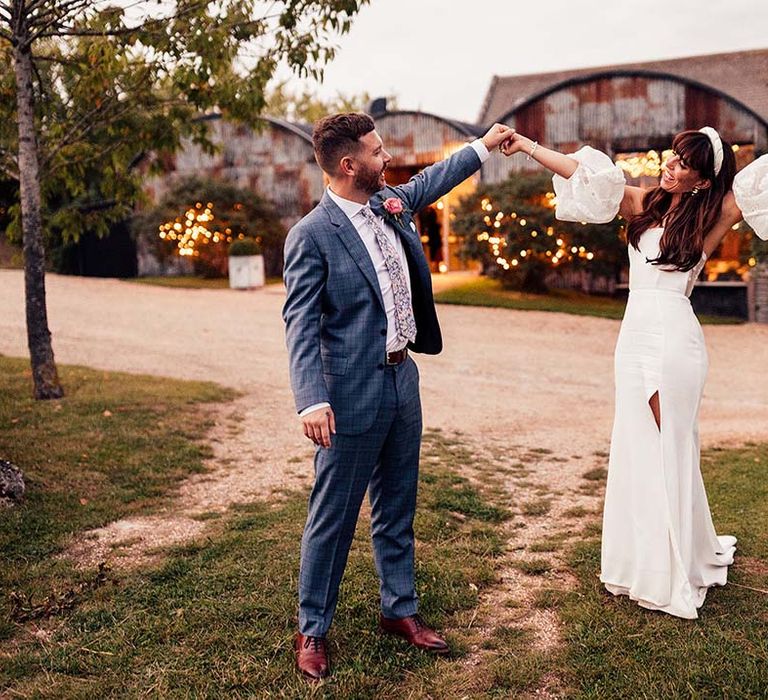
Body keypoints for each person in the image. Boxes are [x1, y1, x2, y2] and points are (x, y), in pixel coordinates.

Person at [283, 112, 514, 679]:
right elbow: (301, 324)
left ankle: (400, 610)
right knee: (332, 517)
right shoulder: (311, 236)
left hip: (401, 381)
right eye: (377, 152)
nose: (386, 159)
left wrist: (482, 147)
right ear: (348, 165)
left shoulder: (390, 204)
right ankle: (312, 629)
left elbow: (433, 180)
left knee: (397, 506)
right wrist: (312, 399)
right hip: (349, 394)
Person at [501, 127, 767, 619]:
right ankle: (639, 559)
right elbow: (583, 173)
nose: (671, 164)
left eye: (685, 162)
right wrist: (528, 147)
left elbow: (759, 185)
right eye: (674, 154)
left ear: (703, 181)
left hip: (674, 338)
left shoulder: (715, 213)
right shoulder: (641, 201)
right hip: (634, 335)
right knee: (638, 442)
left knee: (670, 442)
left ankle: (673, 562)